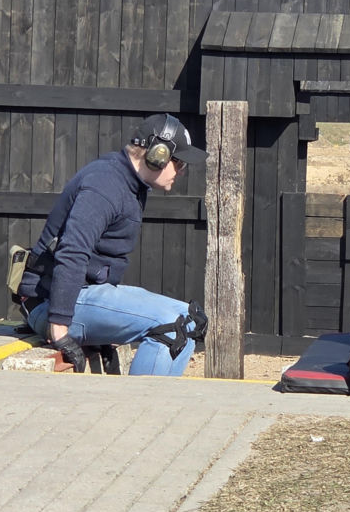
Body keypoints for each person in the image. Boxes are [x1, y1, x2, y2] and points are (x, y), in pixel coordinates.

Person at [17, 114, 209, 376]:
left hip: (82, 296)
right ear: (158, 155)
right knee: (169, 326)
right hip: (51, 305)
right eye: (179, 163)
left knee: (190, 320)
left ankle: (159, 407)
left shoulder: (128, 183)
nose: (182, 171)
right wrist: (59, 330)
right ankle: (136, 411)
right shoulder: (105, 185)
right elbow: (72, 252)